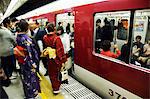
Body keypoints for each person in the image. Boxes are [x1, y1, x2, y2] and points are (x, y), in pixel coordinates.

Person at [15, 19, 40, 98]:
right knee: (31, 80)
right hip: (28, 62)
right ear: (26, 28)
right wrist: (34, 64)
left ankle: (27, 94)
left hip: (22, 62)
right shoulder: (26, 39)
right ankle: (31, 95)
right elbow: (30, 53)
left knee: (25, 79)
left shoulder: (18, 36)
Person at [43, 23, 67, 94]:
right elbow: (60, 50)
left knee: (51, 73)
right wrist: (63, 60)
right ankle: (56, 88)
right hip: (56, 59)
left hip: (49, 58)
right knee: (57, 73)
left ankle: (54, 86)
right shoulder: (57, 38)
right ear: (54, 29)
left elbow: (45, 48)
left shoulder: (45, 37)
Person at [0, 23, 20, 99]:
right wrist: (15, 45)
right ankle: (8, 77)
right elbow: (12, 39)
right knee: (11, 65)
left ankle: (6, 80)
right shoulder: (5, 31)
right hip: (8, 52)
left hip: (1, 54)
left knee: (4, 66)